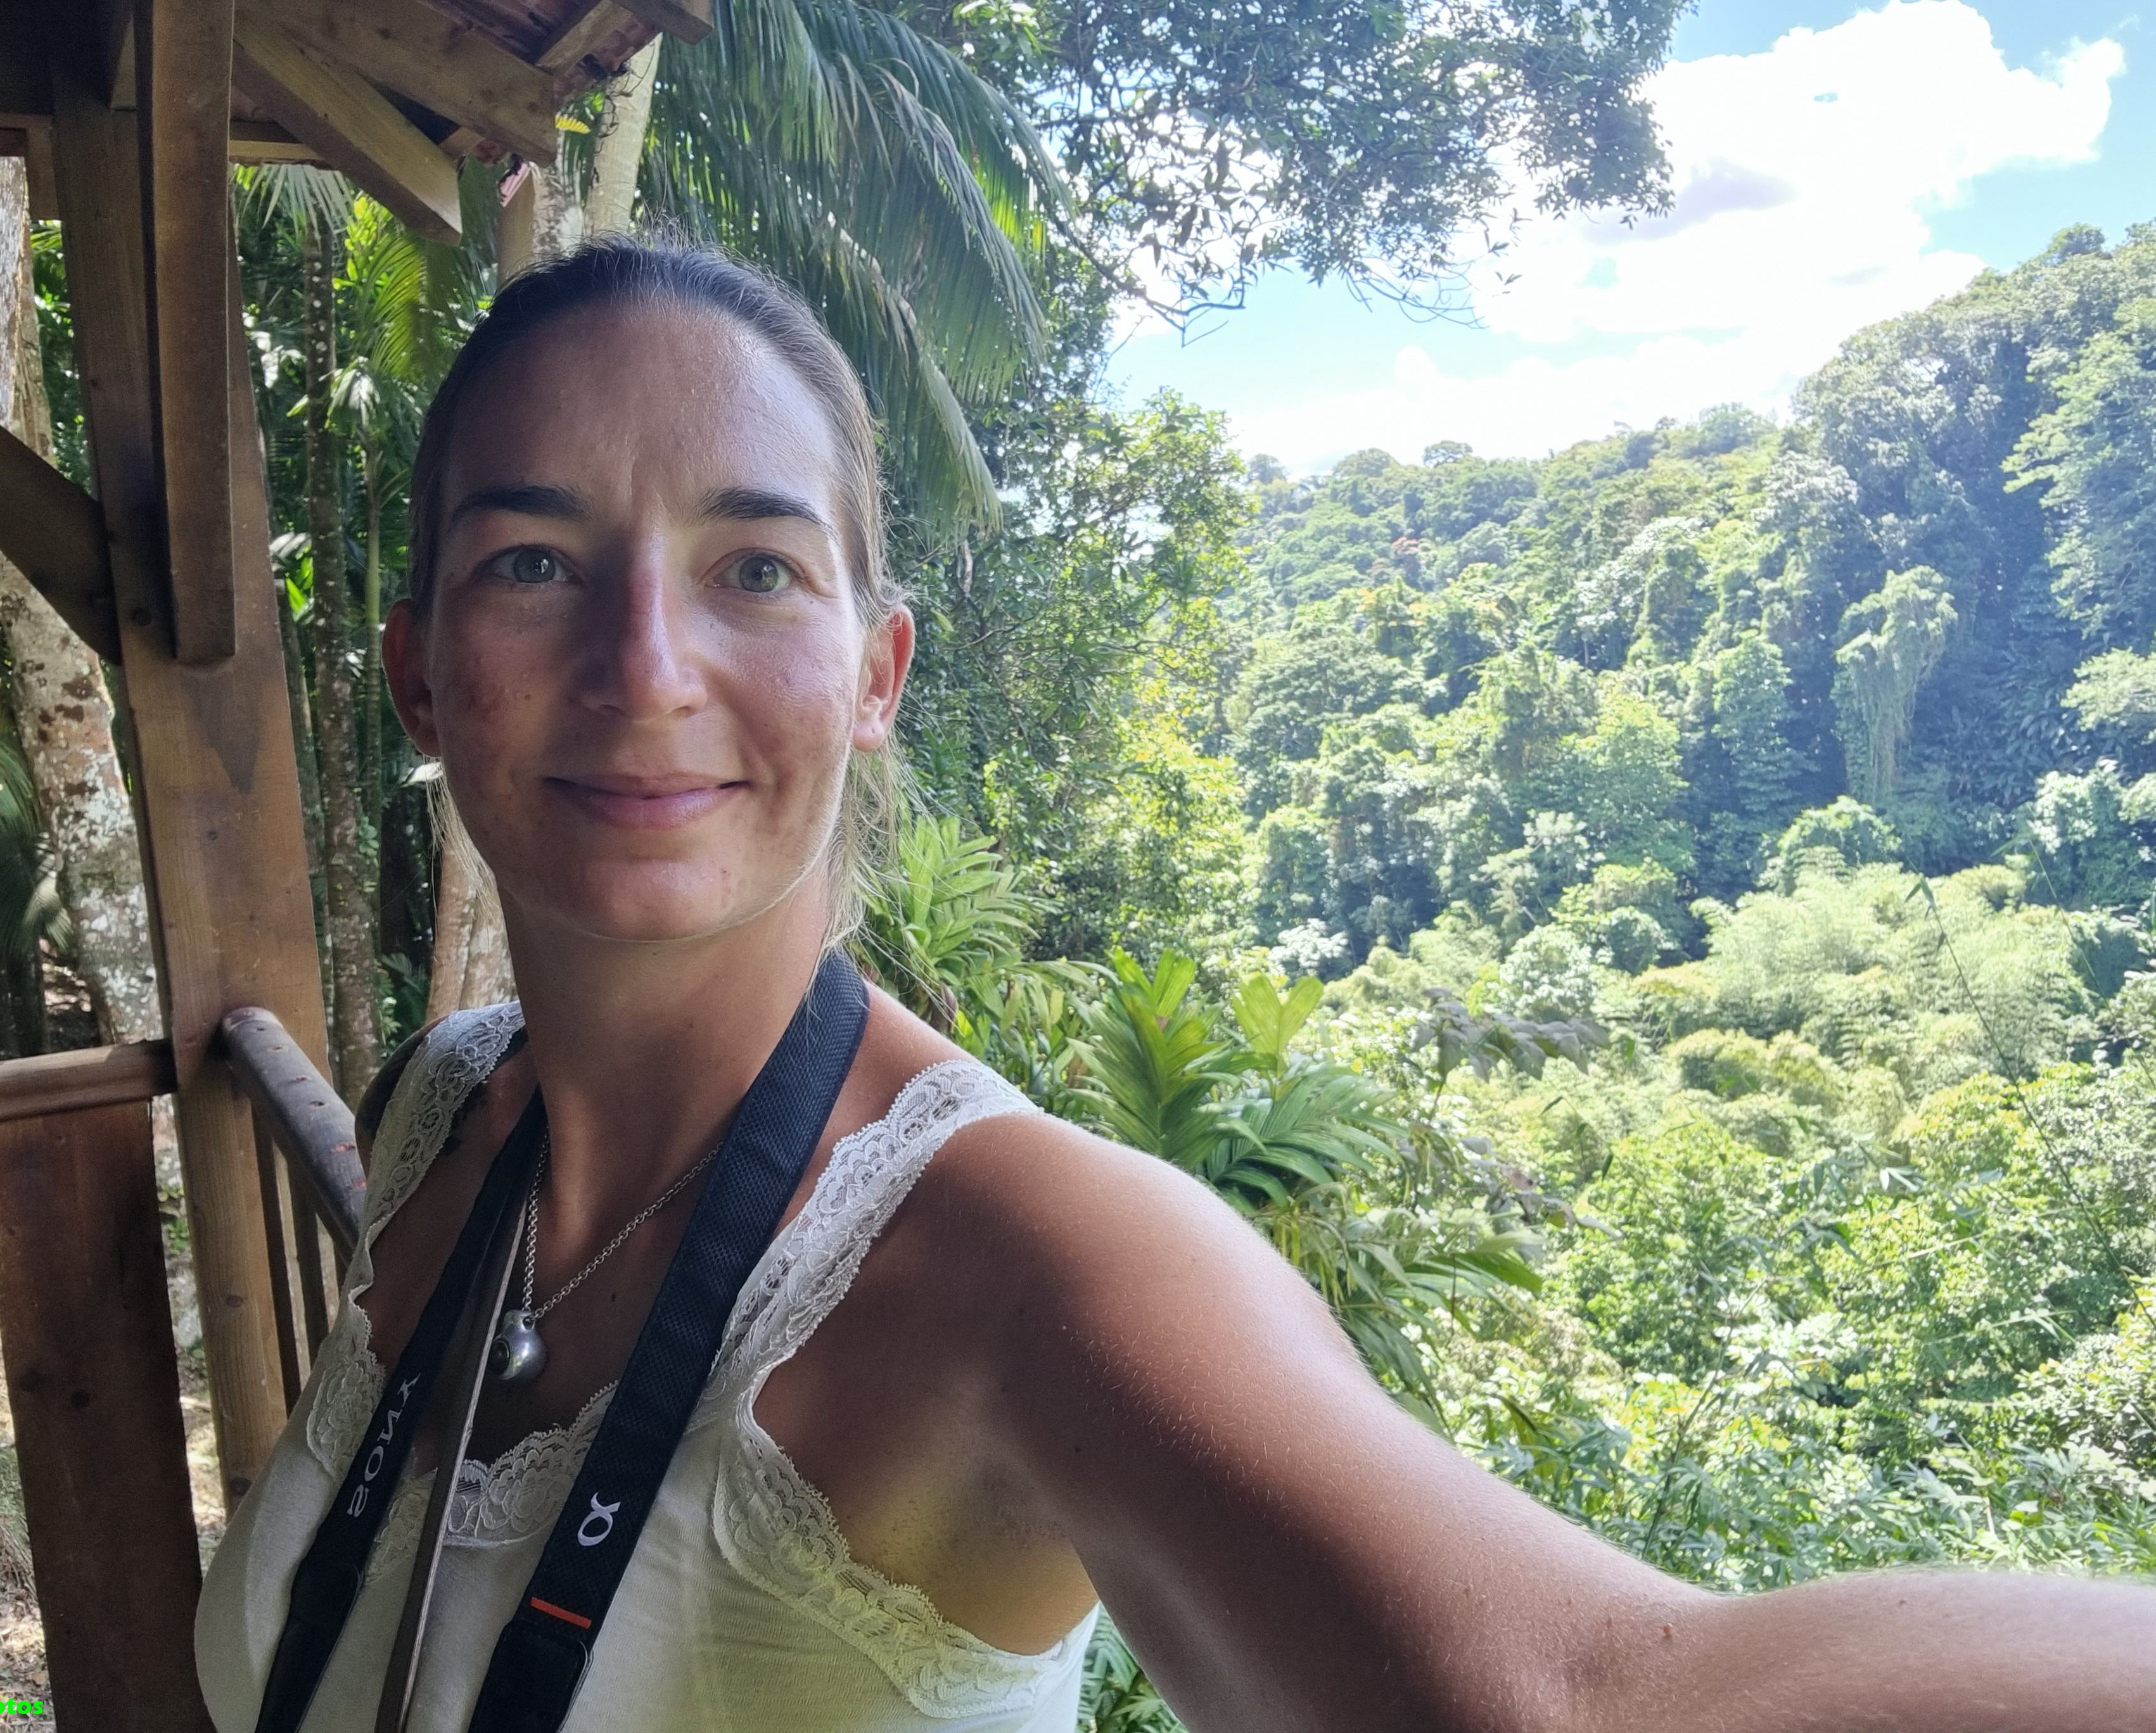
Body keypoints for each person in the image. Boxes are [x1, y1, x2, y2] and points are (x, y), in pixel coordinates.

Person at [193, 236, 2156, 1733]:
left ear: (876, 676)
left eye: (755, 569)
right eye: (533, 563)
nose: (645, 664)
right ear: (421, 673)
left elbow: (1592, 1697)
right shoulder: (446, 1109)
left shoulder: (1031, 1263)